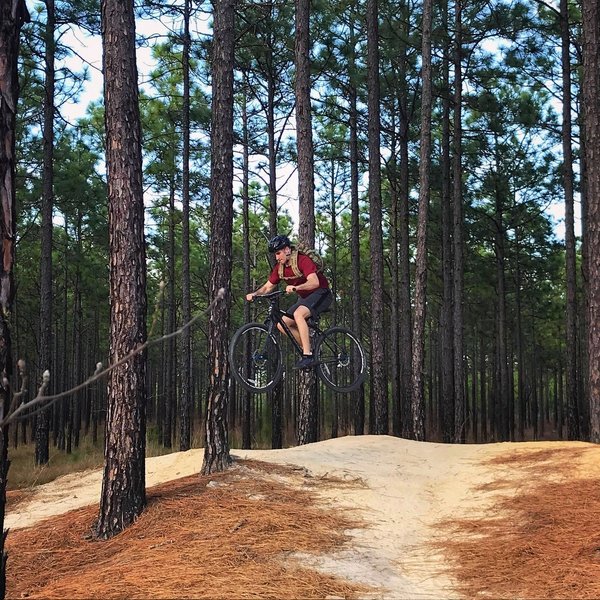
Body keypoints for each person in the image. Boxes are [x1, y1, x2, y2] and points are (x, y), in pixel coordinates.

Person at [246, 235, 333, 369]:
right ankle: (309, 349)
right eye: (275, 254)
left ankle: (307, 356)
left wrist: (296, 287)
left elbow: (314, 282)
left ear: (287, 250)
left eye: (278, 253)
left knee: (298, 314)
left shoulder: (302, 260)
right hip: (305, 298)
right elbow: (267, 287)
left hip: (321, 293)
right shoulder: (279, 268)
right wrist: (255, 294)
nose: (277, 257)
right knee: (282, 325)